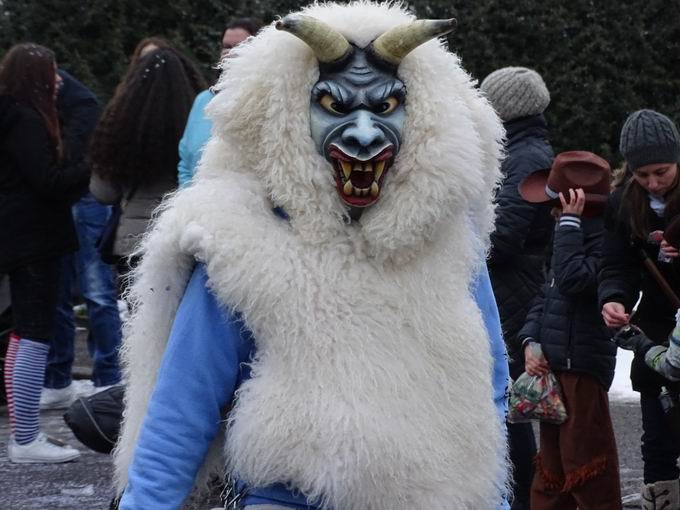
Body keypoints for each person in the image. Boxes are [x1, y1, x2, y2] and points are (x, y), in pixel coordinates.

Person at [112, 4, 511, 509]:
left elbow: (486, 384)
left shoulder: (448, 243)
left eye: (386, 107)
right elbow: (182, 405)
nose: (364, 132)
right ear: (288, 117)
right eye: (334, 105)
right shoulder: (241, 241)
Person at [517, 151, 621, 509]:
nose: (550, 211)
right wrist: (531, 341)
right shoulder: (567, 238)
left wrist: (570, 227)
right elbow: (548, 294)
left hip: (584, 368)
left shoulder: (602, 240)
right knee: (552, 468)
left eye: (555, 203)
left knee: (587, 465)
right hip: (555, 368)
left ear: (573, 204)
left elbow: (576, 280)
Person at [0, 43, 84, 462]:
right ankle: (26, 439)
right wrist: (93, 168)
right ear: (35, 77)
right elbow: (48, 183)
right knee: (34, 336)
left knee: (22, 334)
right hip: (33, 239)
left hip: (24, 238)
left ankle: (24, 434)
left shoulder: (16, 117)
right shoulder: (27, 122)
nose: (58, 81)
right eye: (52, 73)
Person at [481, 66, 555, 510]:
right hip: (515, 288)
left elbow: (503, 236)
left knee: (509, 407)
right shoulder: (522, 151)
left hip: (514, 291)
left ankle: (523, 497)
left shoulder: (524, 157)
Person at [599, 109, 680, 508]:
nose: (652, 183)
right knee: (657, 437)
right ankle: (662, 501)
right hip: (656, 329)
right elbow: (617, 264)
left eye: (662, 172)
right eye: (642, 174)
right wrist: (613, 298)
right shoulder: (623, 203)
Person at [40, 70, 123, 410]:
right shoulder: (71, 101)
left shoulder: (79, 104)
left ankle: (107, 377)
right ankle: (65, 378)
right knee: (66, 291)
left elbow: (77, 157)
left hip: (79, 199)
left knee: (95, 291)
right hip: (66, 198)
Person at [88, 47, 205, 284]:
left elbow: (103, 192)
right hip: (182, 238)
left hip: (132, 242)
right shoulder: (198, 116)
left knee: (138, 317)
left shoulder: (121, 127)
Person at [177, 18, 262, 187]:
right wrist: (190, 197)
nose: (229, 53)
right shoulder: (203, 100)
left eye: (239, 47)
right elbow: (185, 163)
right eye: (226, 47)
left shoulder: (267, 102)